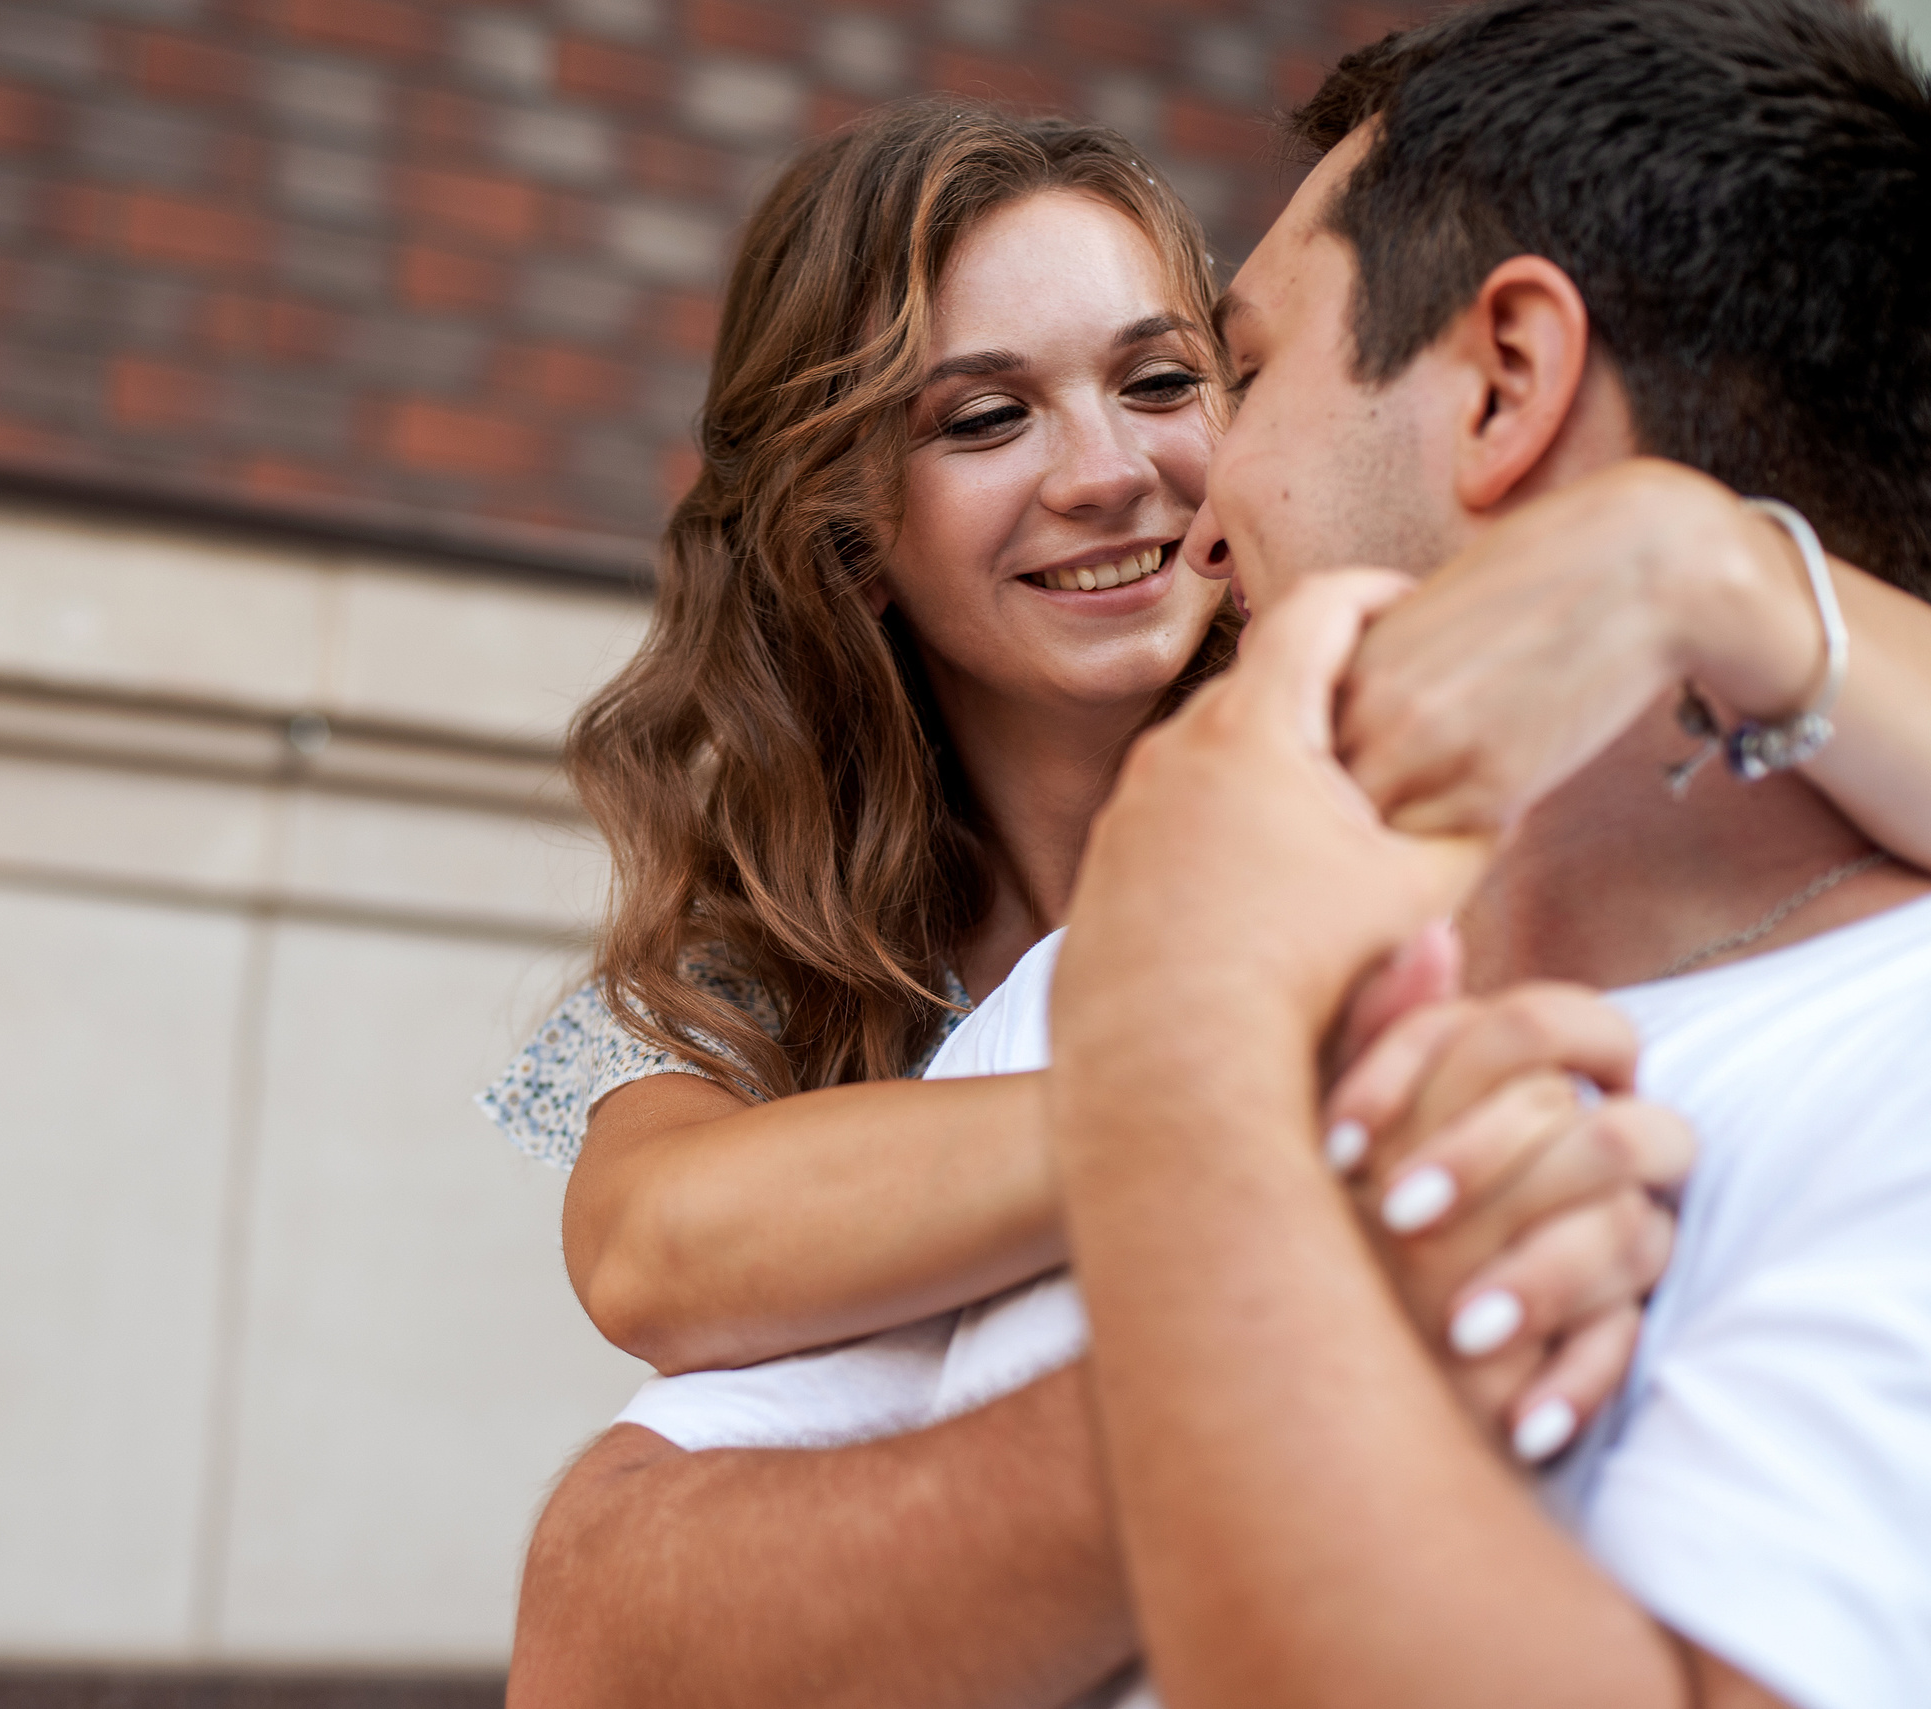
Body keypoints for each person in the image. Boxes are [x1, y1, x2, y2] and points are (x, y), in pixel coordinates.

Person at [502, 49, 1931, 1707]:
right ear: (847, 532)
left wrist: (1711, 571)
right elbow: (649, 1273)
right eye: (983, 415)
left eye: (1190, 378)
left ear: (1508, 382)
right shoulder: (896, 953)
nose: (1121, 475)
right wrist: (1235, 1107)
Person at [991, 2, 1931, 1704]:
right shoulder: (1142, 944)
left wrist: (1182, 1056)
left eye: (1229, 375)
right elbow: (601, 1625)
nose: (1169, 511)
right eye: (977, 418)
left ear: (1508, 382)